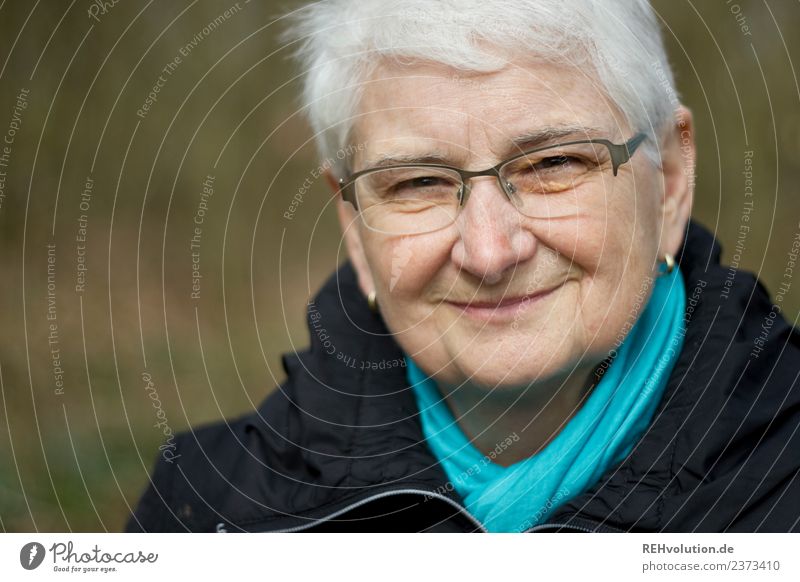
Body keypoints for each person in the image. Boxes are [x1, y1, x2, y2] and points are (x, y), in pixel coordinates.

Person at [126, 0, 800, 532]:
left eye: (554, 164)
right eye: (416, 182)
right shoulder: (205, 512)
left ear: (672, 180)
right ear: (356, 229)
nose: (489, 251)